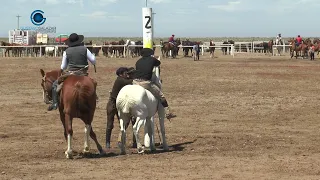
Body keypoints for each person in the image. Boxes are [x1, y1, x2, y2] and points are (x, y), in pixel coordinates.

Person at [47, 33, 96, 111]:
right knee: (93, 83)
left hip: (70, 73)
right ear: (79, 41)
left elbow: (63, 67)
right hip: (83, 73)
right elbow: (93, 60)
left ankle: (55, 103)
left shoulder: (66, 51)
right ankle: (94, 98)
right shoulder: (85, 49)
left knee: (55, 85)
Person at [132, 48, 176, 119]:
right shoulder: (152, 59)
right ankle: (168, 113)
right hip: (145, 82)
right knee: (161, 96)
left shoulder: (138, 61)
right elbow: (158, 63)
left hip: (135, 82)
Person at [105, 67, 136, 148]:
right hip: (113, 104)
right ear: (121, 74)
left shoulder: (121, 79)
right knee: (110, 125)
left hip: (118, 104)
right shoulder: (120, 80)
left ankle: (118, 142)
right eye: (126, 73)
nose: (127, 75)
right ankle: (108, 143)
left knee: (122, 124)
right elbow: (131, 82)